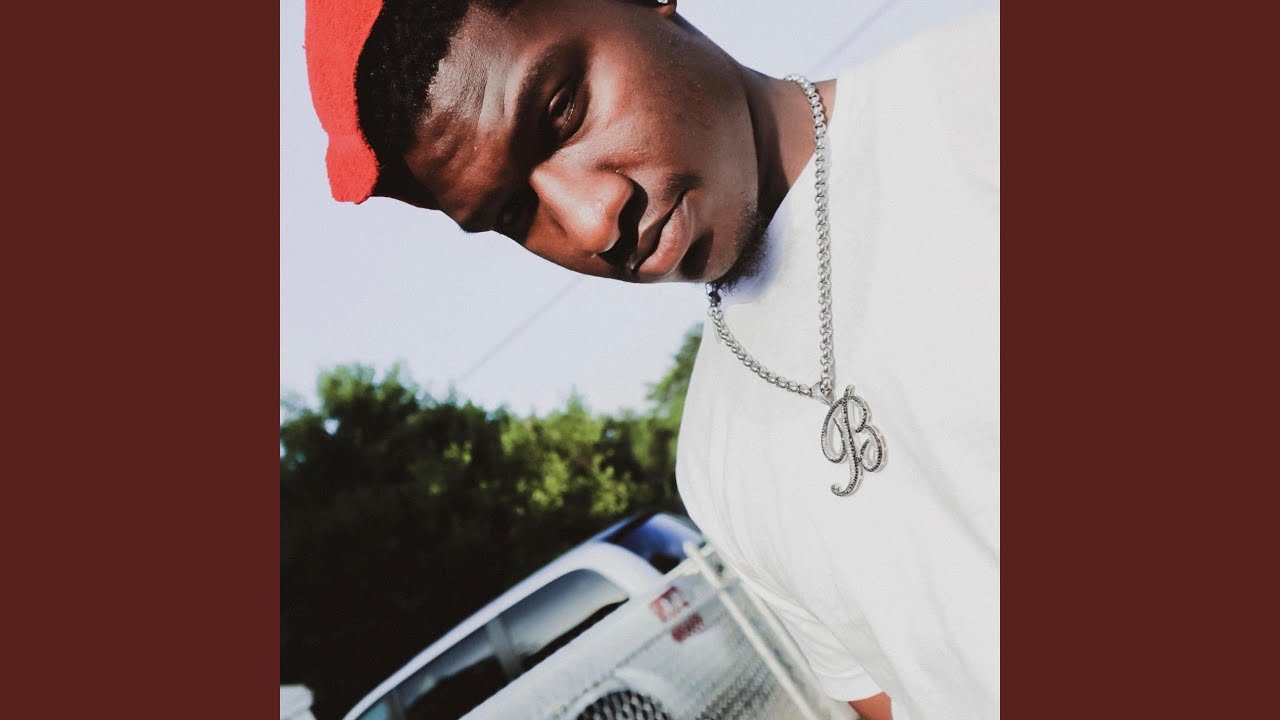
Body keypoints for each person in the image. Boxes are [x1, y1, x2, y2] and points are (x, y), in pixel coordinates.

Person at [303, 1, 998, 718]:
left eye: (562, 113)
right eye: (512, 213)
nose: (590, 222)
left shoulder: (983, 94)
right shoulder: (713, 461)